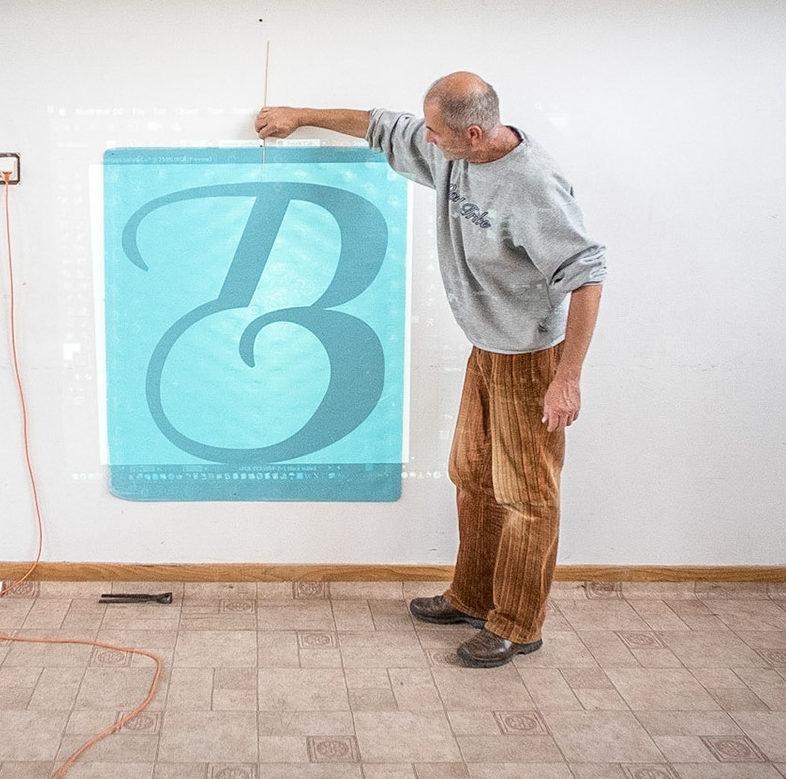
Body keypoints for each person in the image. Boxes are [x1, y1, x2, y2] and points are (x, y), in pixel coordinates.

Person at [256, 72, 605, 666]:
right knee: (472, 475)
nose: (428, 140)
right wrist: (300, 114)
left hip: (530, 358)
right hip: (487, 348)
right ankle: (472, 598)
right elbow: (378, 125)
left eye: (437, 133)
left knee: (526, 495)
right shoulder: (453, 151)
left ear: (474, 134)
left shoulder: (533, 186)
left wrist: (566, 378)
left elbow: (587, 276)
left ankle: (518, 625)